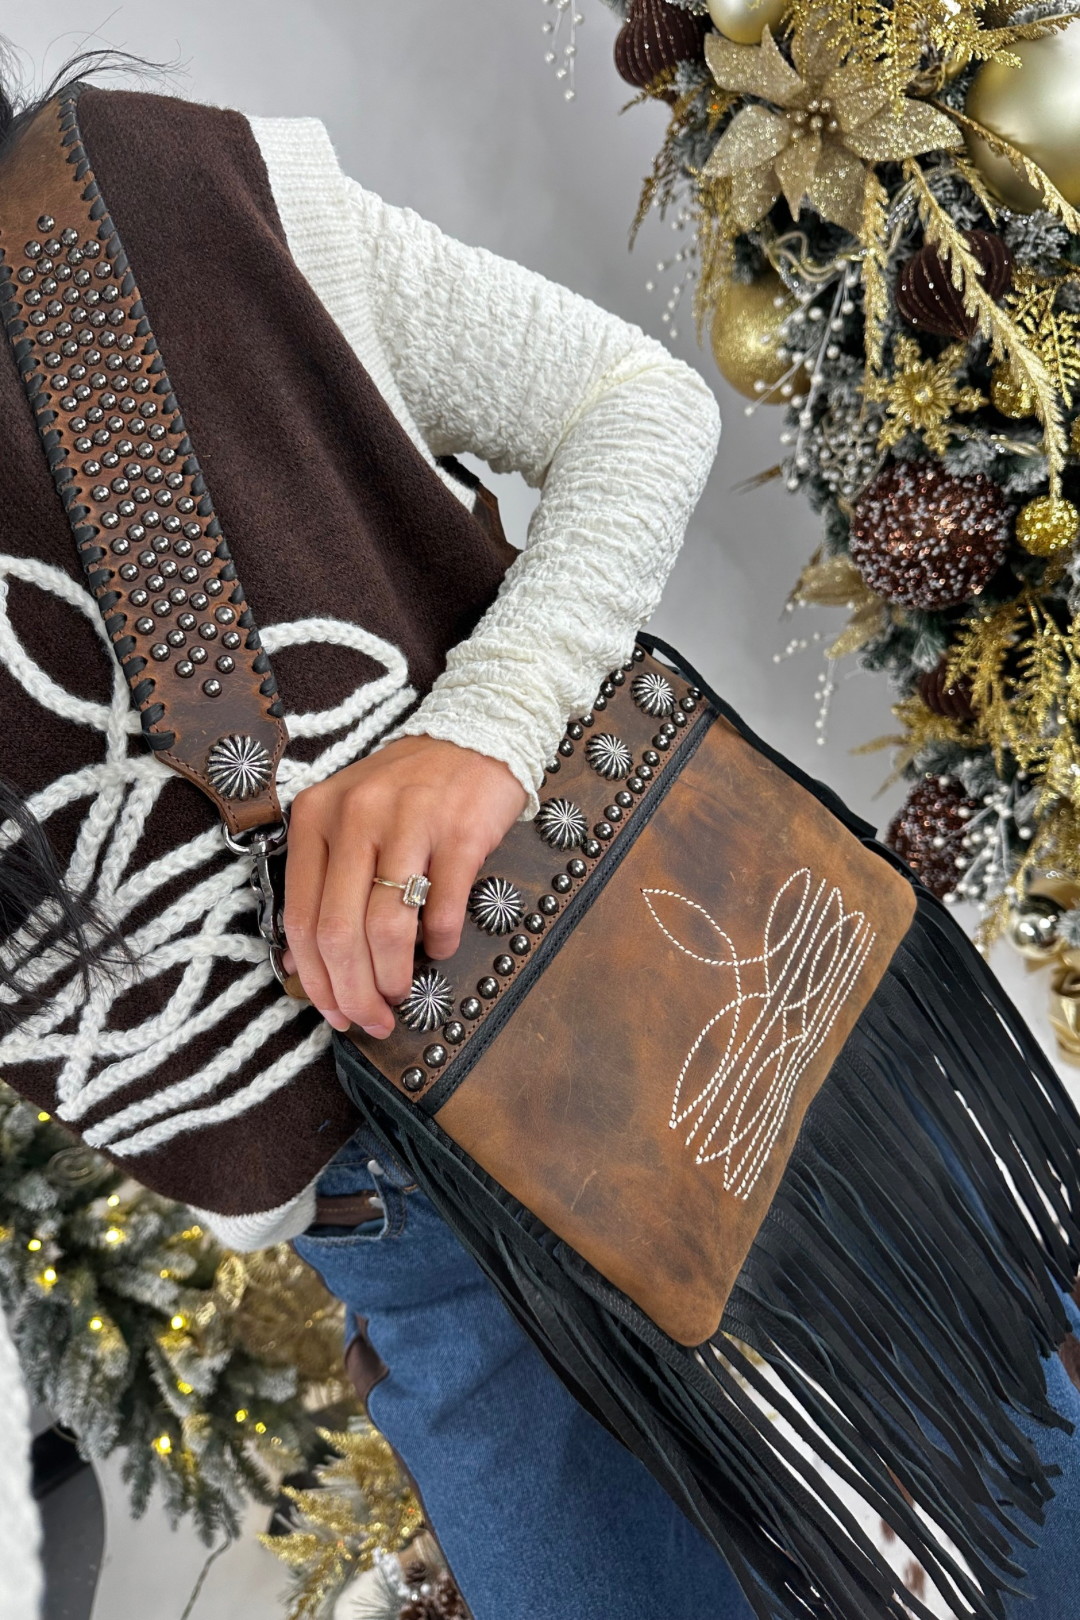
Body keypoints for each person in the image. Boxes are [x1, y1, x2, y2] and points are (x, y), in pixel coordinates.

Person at [2, 57, 1080, 1620]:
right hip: (423, 1254)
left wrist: (484, 731)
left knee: (1037, 1512)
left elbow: (629, 407)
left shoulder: (135, 197)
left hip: (687, 1002)